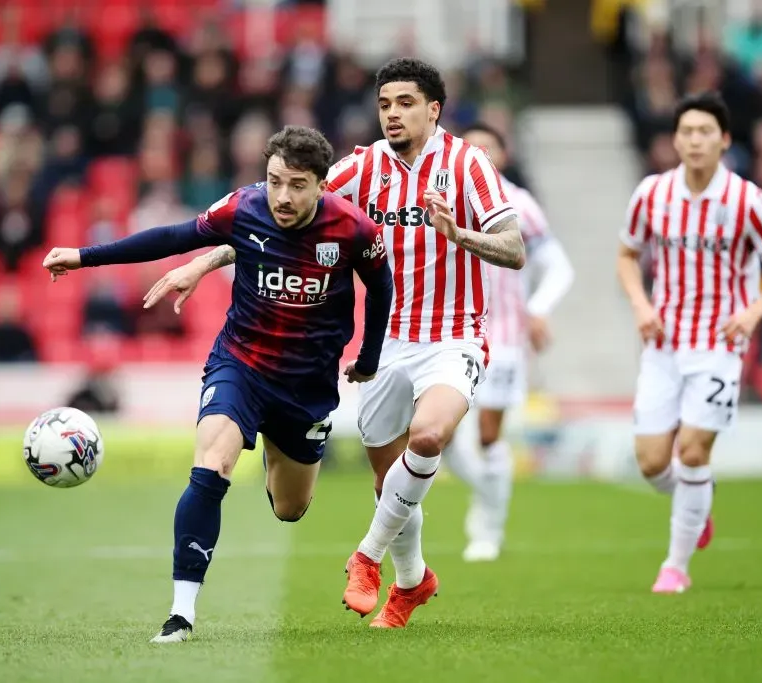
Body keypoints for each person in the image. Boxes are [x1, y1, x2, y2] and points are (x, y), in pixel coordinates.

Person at [147, 58, 525, 627]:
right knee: (389, 477)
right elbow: (281, 217)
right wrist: (205, 260)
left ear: (433, 109)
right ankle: (413, 580)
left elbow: (514, 247)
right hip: (387, 341)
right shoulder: (364, 167)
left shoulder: (468, 163)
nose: (392, 114)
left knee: (426, 437)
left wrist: (458, 234)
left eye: (404, 103)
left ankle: (366, 557)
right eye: (384, 104)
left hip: (453, 336)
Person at [40, 125, 394, 642]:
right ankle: (181, 614)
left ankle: (277, 448)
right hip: (241, 365)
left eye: (297, 184)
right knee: (212, 465)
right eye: (274, 181)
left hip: (307, 386)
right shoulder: (243, 208)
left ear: (322, 184)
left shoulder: (354, 230)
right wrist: (85, 255)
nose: (283, 196)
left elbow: (381, 289)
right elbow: (174, 236)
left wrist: (368, 358)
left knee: (290, 509)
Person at [615, 92, 762, 594]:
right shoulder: (652, 193)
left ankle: (675, 567)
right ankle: (698, 505)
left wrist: (754, 312)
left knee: (692, 452)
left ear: (725, 140)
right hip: (664, 343)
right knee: (653, 462)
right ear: (674, 139)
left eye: (705, 132)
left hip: (719, 345)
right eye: (687, 132)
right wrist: (641, 304)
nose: (695, 140)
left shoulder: (746, 200)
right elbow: (627, 256)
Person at [441, 122, 574, 562]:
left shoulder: (518, 204)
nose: (479, 155)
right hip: (447, 333)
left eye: (488, 148)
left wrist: (538, 308)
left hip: (503, 338)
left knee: (487, 435)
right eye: (471, 148)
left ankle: (487, 530)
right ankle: (491, 497)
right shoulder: (442, 200)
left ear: (502, 154)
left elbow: (558, 266)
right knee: (434, 438)